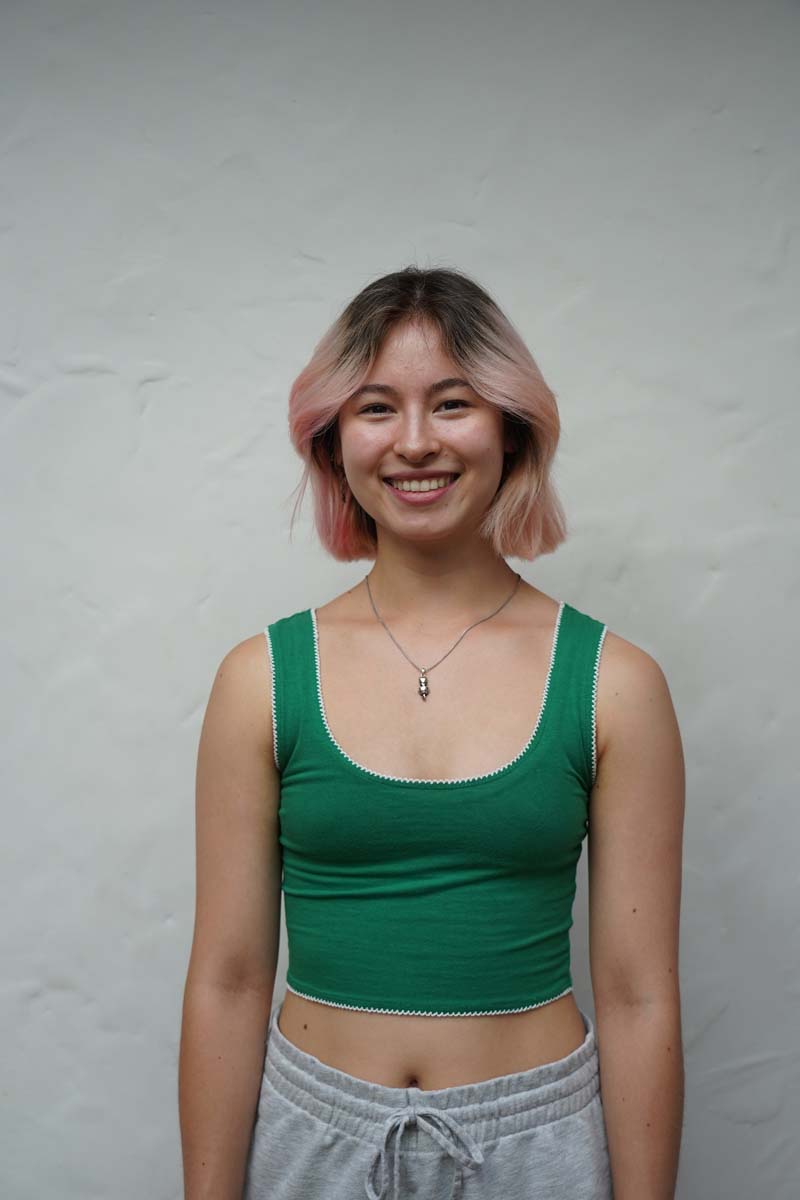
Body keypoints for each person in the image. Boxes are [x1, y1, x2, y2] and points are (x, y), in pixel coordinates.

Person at [179, 266, 685, 1200]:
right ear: (334, 439)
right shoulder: (260, 682)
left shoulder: (615, 686)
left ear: (510, 426)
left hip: (537, 1143)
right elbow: (229, 979)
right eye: (377, 408)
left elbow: (639, 994)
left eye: (452, 404)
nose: (415, 443)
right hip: (313, 1134)